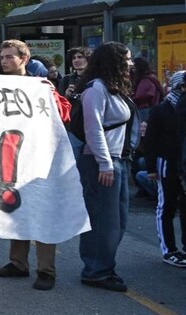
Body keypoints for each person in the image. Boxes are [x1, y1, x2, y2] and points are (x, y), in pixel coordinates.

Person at [0, 39, 71, 291]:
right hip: (11, 158)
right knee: (17, 211)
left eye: (9, 57)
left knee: (43, 212)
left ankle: (46, 270)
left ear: (24, 59)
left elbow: (65, 114)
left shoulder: (40, 86)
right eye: (2, 57)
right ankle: (18, 262)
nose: (4, 61)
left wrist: (51, 95)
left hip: (40, 159)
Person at [75, 41, 134, 292]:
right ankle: (96, 271)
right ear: (114, 61)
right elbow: (93, 129)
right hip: (101, 162)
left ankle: (103, 267)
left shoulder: (112, 87)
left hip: (115, 160)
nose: (130, 63)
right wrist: (105, 164)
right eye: (127, 59)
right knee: (102, 220)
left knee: (116, 220)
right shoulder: (96, 89)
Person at [140, 71, 186, 267]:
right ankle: (169, 250)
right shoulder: (161, 110)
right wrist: (151, 167)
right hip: (166, 161)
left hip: (182, 162)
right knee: (166, 204)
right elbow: (150, 140)